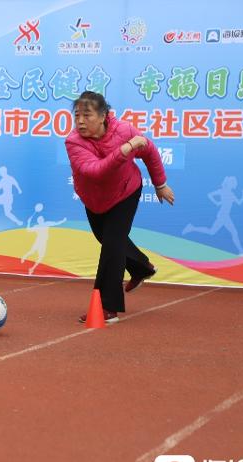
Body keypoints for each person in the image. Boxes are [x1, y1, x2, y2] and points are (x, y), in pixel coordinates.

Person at [64, 91, 174, 323]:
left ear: (104, 115)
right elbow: (95, 171)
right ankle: (142, 267)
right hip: (94, 199)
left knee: (112, 246)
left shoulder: (124, 131)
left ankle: (107, 307)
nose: (81, 121)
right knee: (110, 239)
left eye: (87, 115)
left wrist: (160, 184)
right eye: (77, 116)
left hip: (126, 192)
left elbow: (150, 151)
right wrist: (124, 150)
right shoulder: (74, 142)